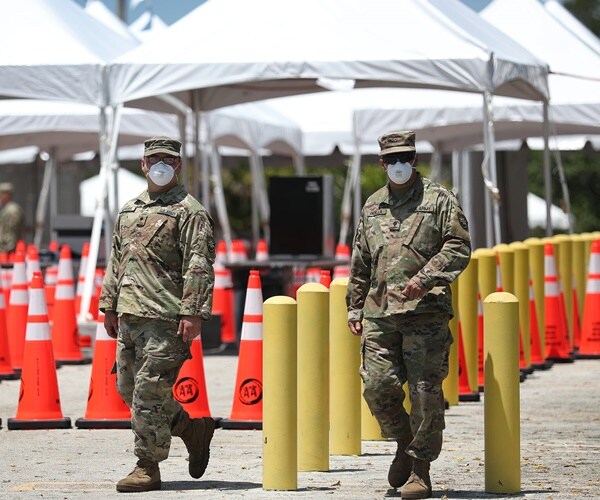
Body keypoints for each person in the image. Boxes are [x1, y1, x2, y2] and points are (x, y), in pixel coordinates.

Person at [346, 131, 471, 499]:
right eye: (392, 159)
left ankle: (420, 468)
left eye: (406, 157)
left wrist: (426, 278)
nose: (399, 165)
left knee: (424, 392)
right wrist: (354, 306)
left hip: (425, 314)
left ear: (415, 160)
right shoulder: (372, 206)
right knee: (376, 387)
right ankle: (403, 441)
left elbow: (459, 244)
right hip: (381, 313)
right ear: (381, 163)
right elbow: (361, 262)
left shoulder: (440, 200)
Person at [99, 137, 216, 493]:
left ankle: (147, 466)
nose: (162, 164)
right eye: (155, 159)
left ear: (178, 165)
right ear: (143, 164)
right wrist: (109, 305)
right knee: (128, 388)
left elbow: (199, 264)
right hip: (131, 314)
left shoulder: (189, 210)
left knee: (149, 392)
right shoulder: (130, 208)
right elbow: (117, 259)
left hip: (167, 317)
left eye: (169, 159)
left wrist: (192, 312)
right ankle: (190, 429)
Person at [0, 182, 25, 254]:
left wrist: (8, 248)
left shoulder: (12, 210)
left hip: (9, 249)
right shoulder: (6, 209)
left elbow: (11, 232)